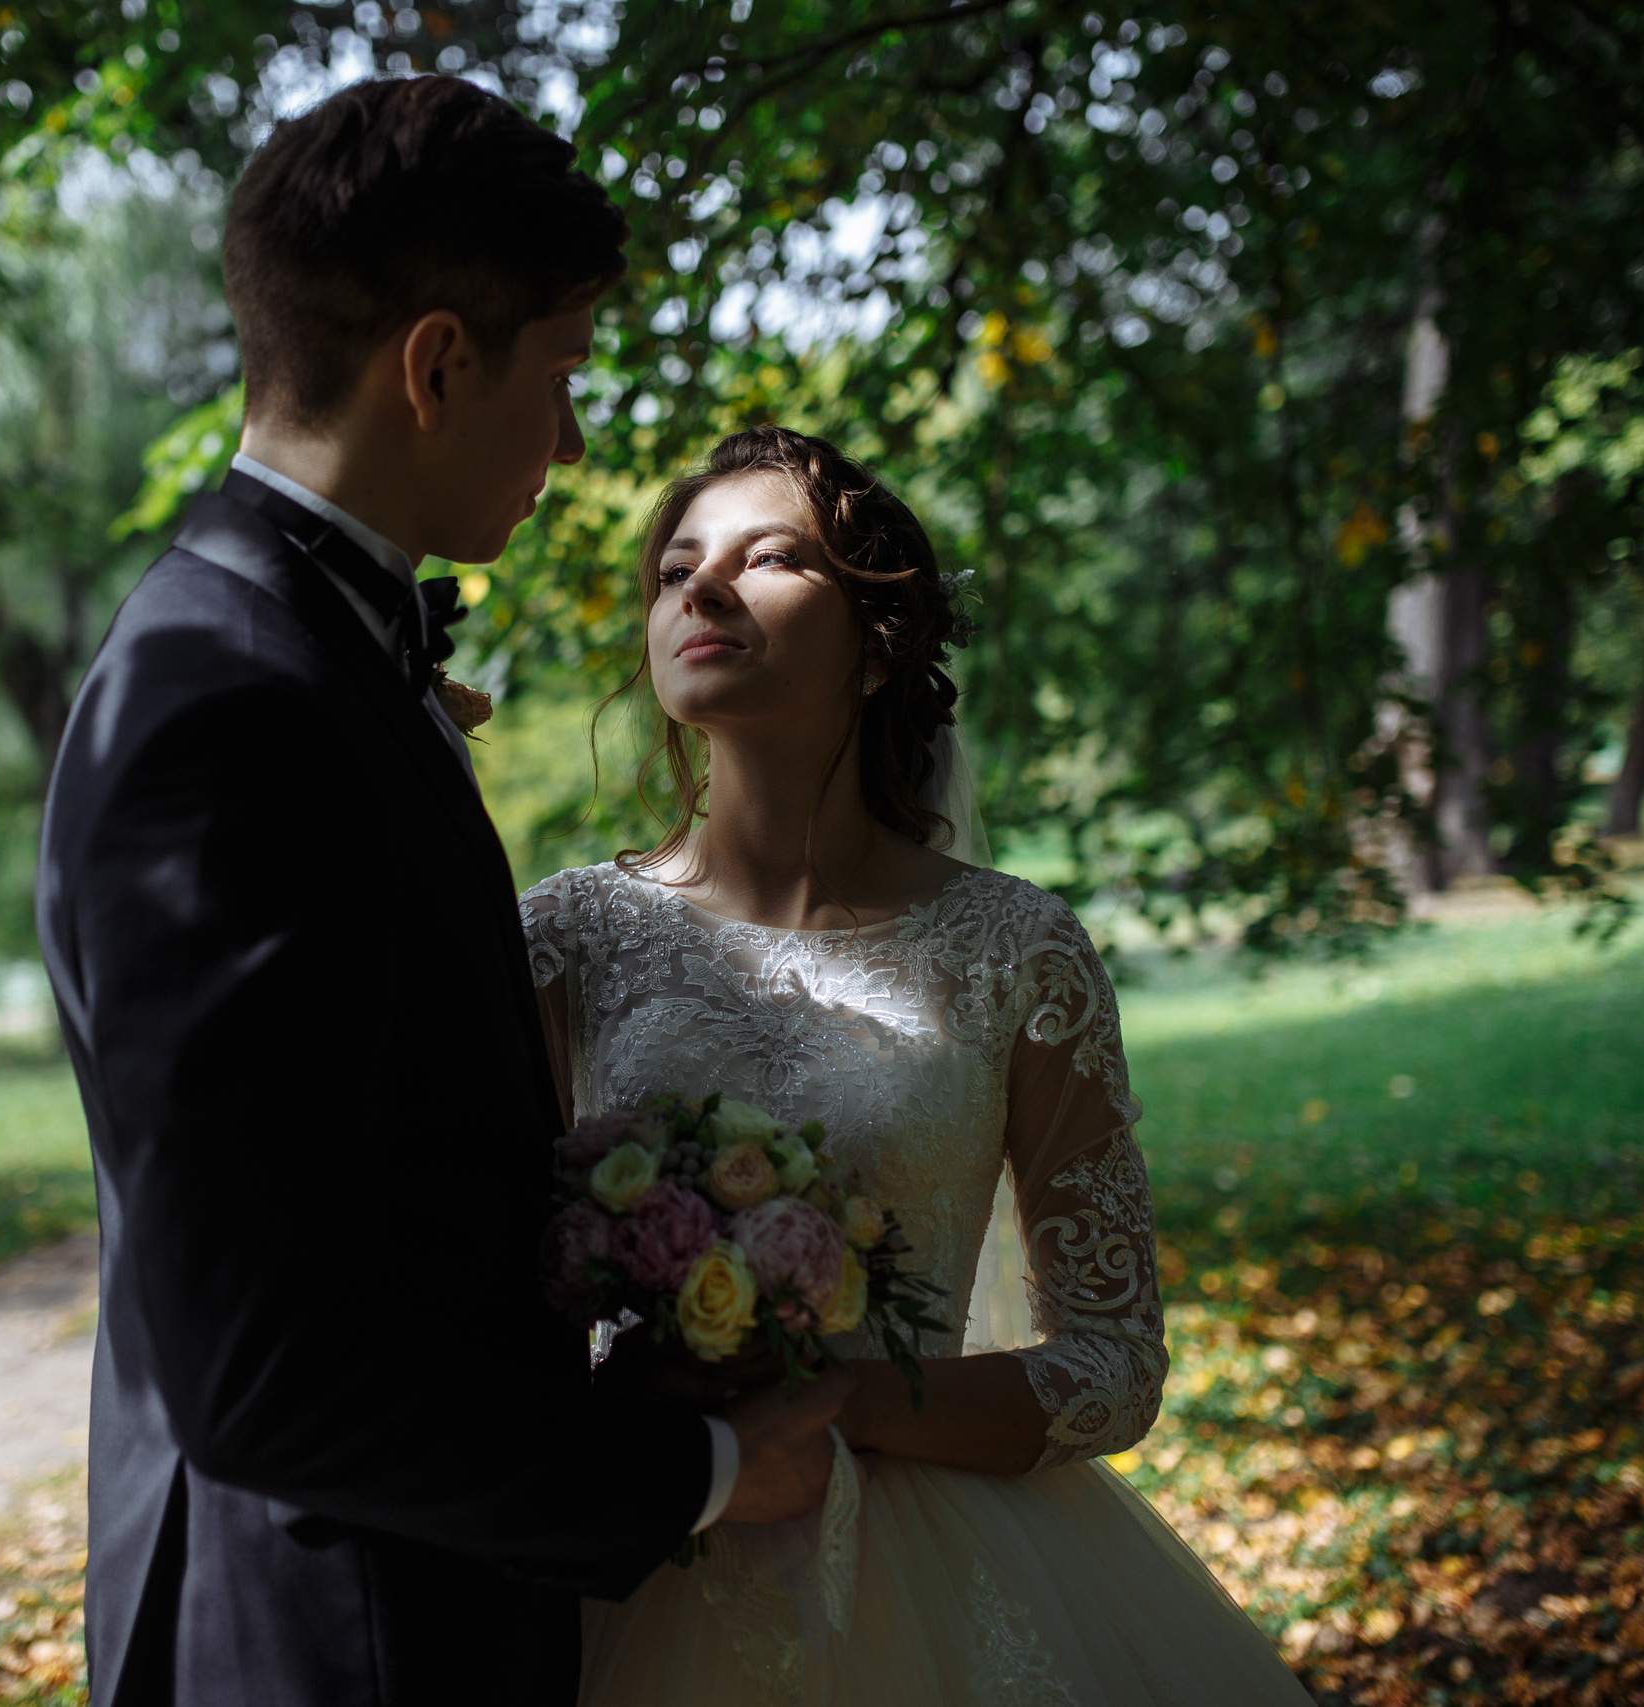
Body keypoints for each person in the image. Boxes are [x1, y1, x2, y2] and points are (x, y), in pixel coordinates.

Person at [36, 79, 849, 1707]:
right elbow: (266, 1376)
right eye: (558, 373)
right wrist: (694, 1469)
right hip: (334, 1639)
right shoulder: (232, 709)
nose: (570, 438)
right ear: (434, 364)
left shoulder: (289, 658)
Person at [521, 425, 1313, 1704]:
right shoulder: (564, 939)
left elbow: (1113, 1364)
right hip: (632, 1553)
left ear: (879, 638)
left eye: (765, 557)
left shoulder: (1018, 952)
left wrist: (839, 1402)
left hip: (938, 1578)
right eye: (675, 571)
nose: (702, 590)